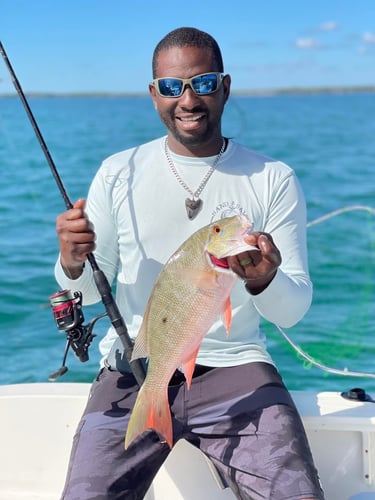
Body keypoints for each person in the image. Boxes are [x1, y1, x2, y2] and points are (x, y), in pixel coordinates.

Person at [55, 27, 324, 500]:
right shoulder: (119, 172)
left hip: (235, 366)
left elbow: (292, 311)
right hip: (137, 368)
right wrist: (72, 262)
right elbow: (88, 294)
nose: (188, 100)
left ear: (224, 86)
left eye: (202, 83)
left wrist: (264, 281)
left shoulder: (272, 178)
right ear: (153, 93)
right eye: (172, 86)